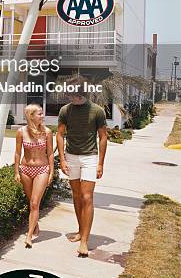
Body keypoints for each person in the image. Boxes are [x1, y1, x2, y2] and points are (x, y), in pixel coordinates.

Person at [56, 76, 108, 258]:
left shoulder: (97, 111)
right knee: (77, 197)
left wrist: (100, 163)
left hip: (90, 158)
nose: (71, 99)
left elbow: (103, 137)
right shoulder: (65, 111)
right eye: (69, 95)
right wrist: (62, 159)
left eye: (74, 95)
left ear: (82, 93)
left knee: (87, 197)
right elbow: (60, 135)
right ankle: (80, 231)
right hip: (71, 157)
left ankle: (85, 240)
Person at [14, 104, 54, 248]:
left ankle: (29, 235)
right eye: (39, 114)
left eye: (42, 114)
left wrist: (51, 171)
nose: (42, 116)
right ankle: (34, 225)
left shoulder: (47, 132)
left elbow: (50, 153)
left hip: (42, 169)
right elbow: (18, 153)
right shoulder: (21, 132)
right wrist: (17, 171)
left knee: (35, 203)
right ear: (31, 116)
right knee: (31, 202)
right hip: (25, 169)